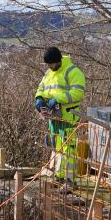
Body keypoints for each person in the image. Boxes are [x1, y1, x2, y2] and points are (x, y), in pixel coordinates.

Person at [34, 46, 86, 192]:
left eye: (52, 64)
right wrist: (39, 99)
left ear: (58, 60)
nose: (50, 67)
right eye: (48, 65)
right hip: (54, 117)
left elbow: (78, 93)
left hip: (68, 117)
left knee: (69, 149)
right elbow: (41, 89)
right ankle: (60, 176)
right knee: (57, 147)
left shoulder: (73, 72)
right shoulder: (49, 73)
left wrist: (58, 99)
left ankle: (70, 180)